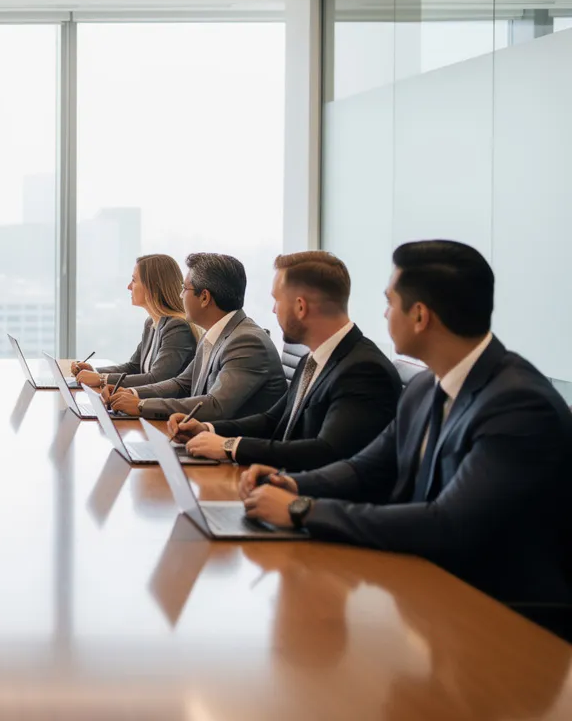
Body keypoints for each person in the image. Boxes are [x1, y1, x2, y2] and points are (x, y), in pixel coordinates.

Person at [242, 240, 572, 613]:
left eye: (390, 302)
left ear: (419, 316)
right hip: (426, 587)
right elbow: (366, 467)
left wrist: (303, 509)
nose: (384, 314)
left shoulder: (518, 405)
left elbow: (449, 523)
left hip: (502, 613)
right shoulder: (424, 387)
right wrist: (294, 484)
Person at [169, 252, 400, 472]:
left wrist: (230, 446)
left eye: (277, 300)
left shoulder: (363, 370)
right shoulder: (312, 359)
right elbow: (273, 420)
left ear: (300, 306)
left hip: (311, 494)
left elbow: (326, 451)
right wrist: (207, 428)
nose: (273, 310)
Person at [106, 252, 285, 422]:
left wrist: (141, 405)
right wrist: (132, 393)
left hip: (230, 440)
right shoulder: (215, 333)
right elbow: (182, 384)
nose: (180, 295)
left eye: (184, 288)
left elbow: (216, 406)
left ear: (204, 297)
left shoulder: (246, 342)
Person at [70, 254, 198, 390]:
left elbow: (156, 378)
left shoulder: (177, 328)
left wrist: (102, 379)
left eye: (134, 280)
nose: (129, 287)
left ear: (152, 286)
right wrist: (94, 371)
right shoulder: (151, 323)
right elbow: (133, 367)